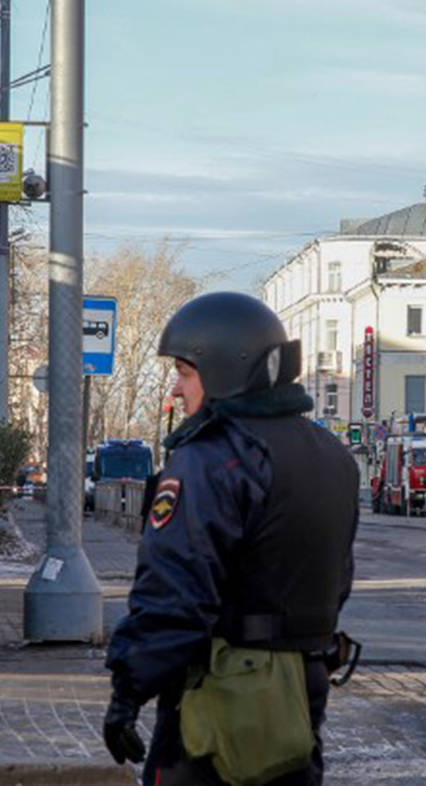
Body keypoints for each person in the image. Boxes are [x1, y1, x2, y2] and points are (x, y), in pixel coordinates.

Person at [102, 292, 360, 786]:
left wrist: (128, 690)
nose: (176, 391)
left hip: (219, 701)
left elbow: (174, 593)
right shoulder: (331, 454)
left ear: (222, 369)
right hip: (300, 695)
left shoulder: (213, 459)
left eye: (184, 372)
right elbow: (338, 580)